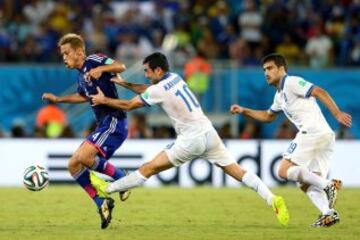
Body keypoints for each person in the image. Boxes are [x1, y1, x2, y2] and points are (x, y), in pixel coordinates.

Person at [89, 52, 290, 226]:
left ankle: (107, 188)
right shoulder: (175, 78)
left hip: (190, 140)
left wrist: (103, 100)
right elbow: (148, 91)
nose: (146, 76)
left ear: (158, 71)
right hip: (209, 134)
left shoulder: (157, 89)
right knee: (239, 172)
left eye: (148, 72)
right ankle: (272, 199)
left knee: (148, 168)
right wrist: (125, 83)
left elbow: (129, 105)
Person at [230, 53, 352, 227]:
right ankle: (328, 213)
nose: (266, 72)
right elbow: (267, 116)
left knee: (283, 170)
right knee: (306, 183)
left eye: (270, 68)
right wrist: (244, 110)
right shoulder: (279, 96)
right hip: (325, 136)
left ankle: (328, 184)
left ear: (281, 69)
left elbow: (319, 91)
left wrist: (337, 113)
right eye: (264, 69)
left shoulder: (291, 82)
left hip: (312, 132)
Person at [41, 33, 131, 229]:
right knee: (73, 165)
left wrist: (101, 69)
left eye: (66, 53)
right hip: (103, 124)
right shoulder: (81, 75)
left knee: (83, 156)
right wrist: (58, 100)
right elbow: (83, 96)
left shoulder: (93, 60)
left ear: (79, 52)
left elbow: (121, 66)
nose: (64, 58)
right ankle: (102, 202)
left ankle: (121, 177)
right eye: (62, 54)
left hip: (115, 120)